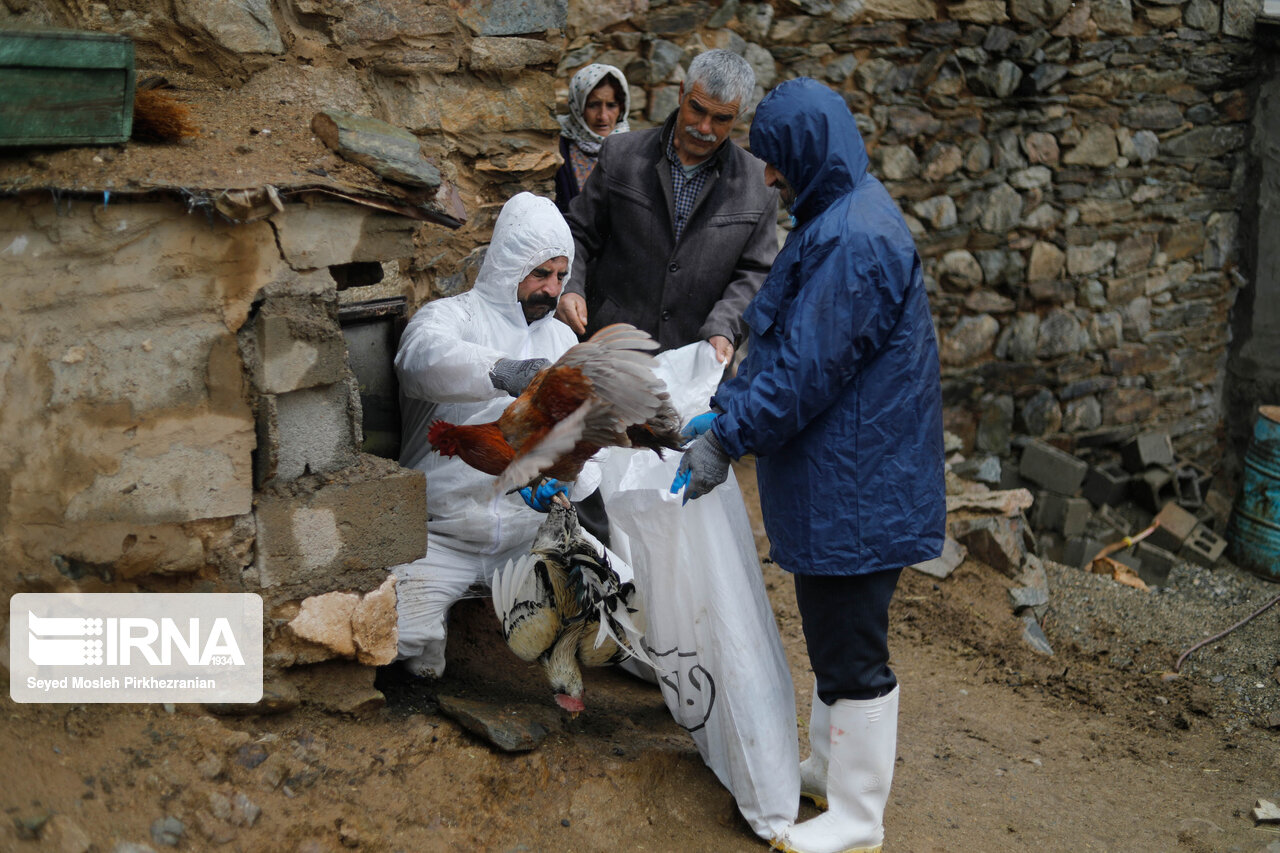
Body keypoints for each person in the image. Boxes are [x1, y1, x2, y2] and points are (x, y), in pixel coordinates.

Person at [672, 77, 946, 853]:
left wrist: (730, 438)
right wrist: (727, 409)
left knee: (854, 645)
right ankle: (828, 769)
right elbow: (788, 341)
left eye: (775, 161)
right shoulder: (837, 217)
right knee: (831, 632)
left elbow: (806, 371)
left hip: (862, 485)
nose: (766, 176)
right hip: (848, 477)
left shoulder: (856, 240)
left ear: (807, 155)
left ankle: (860, 818)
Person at [391, 192, 591, 678]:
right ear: (507, 266)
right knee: (406, 643)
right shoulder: (451, 316)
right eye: (540, 274)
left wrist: (567, 482)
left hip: (526, 540)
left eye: (561, 276)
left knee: (610, 615)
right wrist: (503, 371)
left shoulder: (563, 341)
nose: (552, 288)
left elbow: (586, 436)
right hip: (442, 534)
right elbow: (419, 360)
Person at [557, 49, 777, 362]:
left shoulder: (759, 184)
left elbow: (756, 273)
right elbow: (578, 232)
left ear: (738, 116)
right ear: (681, 93)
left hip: (696, 362)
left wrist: (724, 327)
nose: (703, 127)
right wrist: (571, 287)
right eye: (697, 109)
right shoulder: (621, 156)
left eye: (721, 118)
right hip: (610, 352)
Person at [554, 63, 630, 213]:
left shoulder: (632, 148)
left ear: (621, 108)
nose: (602, 116)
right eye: (593, 105)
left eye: (611, 105)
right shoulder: (558, 146)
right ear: (578, 107)